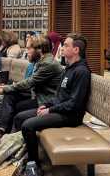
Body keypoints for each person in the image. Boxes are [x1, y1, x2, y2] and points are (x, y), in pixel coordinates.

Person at [14, 33, 91, 176]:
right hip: (60, 110)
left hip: (70, 116)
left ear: (76, 50)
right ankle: (26, 153)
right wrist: (47, 105)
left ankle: (34, 165)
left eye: (66, 45)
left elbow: (74, 104)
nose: (62, 48)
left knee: (28, 125)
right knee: (19, 117)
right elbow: (59, 96)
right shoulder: (69, 68)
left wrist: (50, 110)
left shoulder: (82, 71)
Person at [0, 35, 63, 158]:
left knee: (12, 104)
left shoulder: (48, 64)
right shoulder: (43, 61)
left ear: (39, 49)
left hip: (46, 102)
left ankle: (4, 143)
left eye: (28, 49)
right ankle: (0, 135)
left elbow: (29, 83)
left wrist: (3, 89)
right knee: (10, 97)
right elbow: (29, 83)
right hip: (39, 97)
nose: (26, 52)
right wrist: (6, 88)